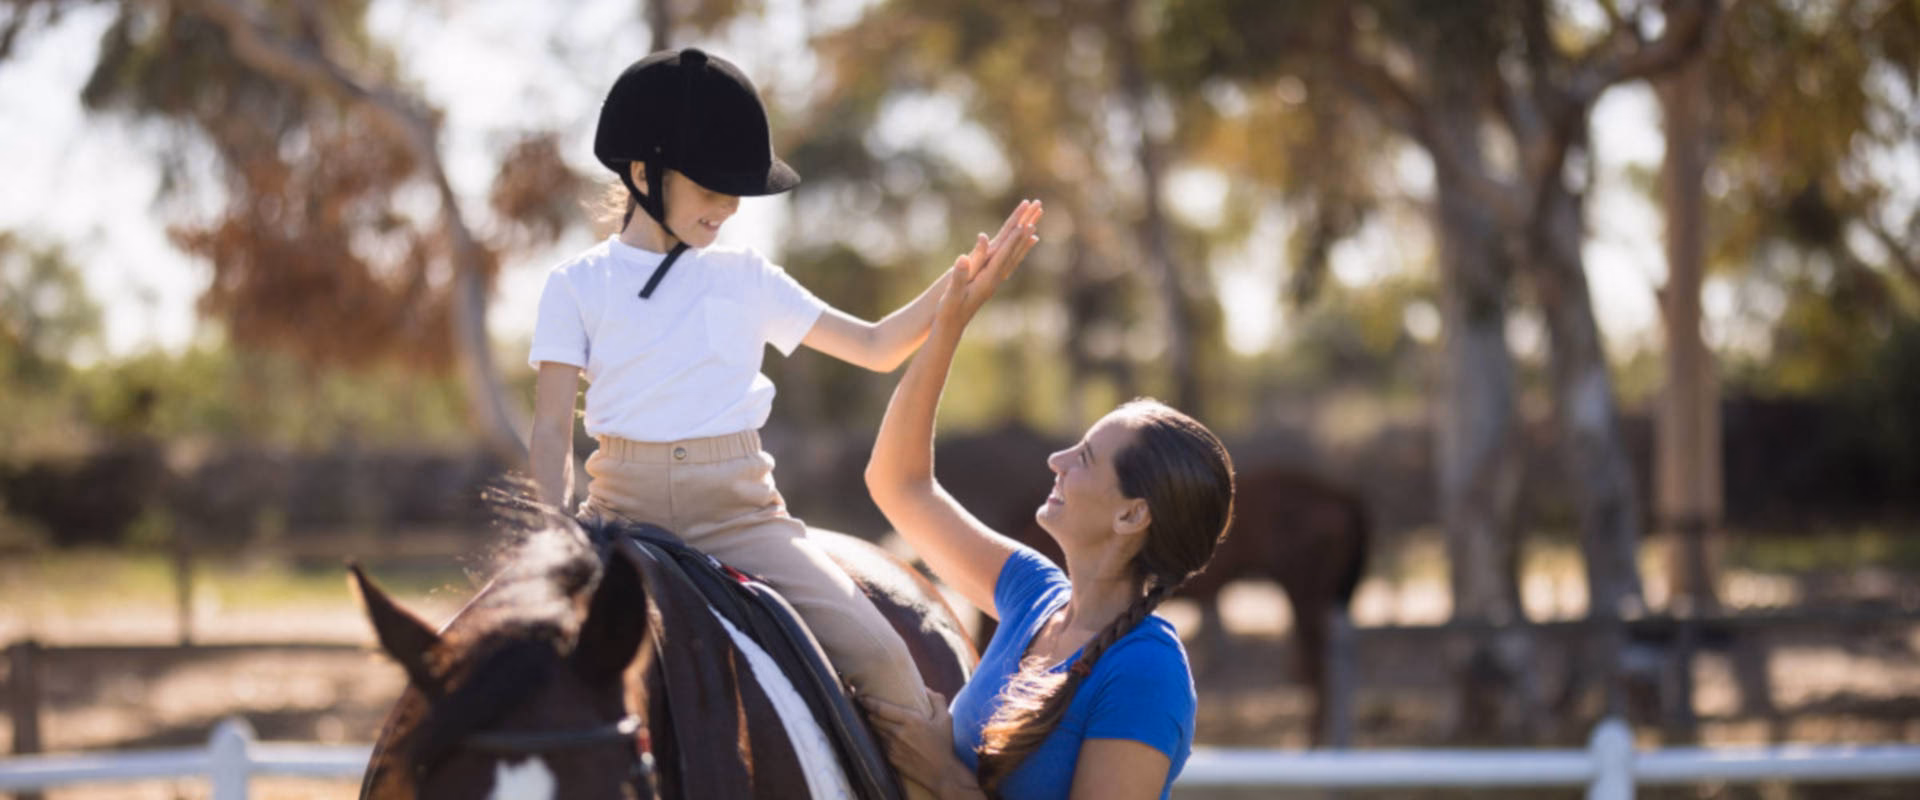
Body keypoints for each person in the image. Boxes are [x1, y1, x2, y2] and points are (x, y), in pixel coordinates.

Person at [525, 47, 1036, 794]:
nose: (729, 208)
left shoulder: (745, 277)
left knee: (889, 664)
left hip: (744, 521)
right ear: (642, 173)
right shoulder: (575, 285)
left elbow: (875, 344)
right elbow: (548, 433)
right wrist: (550, 540)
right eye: (712, 188)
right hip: (618, 520)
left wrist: (958, 285)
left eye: (738, 194)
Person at [859, 226, 1235, 798]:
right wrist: (948, 326)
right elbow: (898, 484)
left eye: (1084, 457)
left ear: (1132, 517)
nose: (1056, 460)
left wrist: (940, 776)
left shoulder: (1146, 673)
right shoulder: (1031, 595)